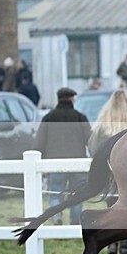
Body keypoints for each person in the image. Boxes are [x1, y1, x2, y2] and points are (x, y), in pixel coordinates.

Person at [87, 89, 127, 254]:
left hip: (110, 178)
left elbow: (93, 149)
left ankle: (112, 247)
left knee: (112, 212)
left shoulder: (102, 127)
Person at [33, 88, 92, 225]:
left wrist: (37, 162)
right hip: (77, 163)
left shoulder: (48, 118)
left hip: (54, 163)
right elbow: (90, 140)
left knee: (55, 193)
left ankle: (57, 217)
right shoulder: (80, 117)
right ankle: (75, 221)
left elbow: (39, 143)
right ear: (72, 99)